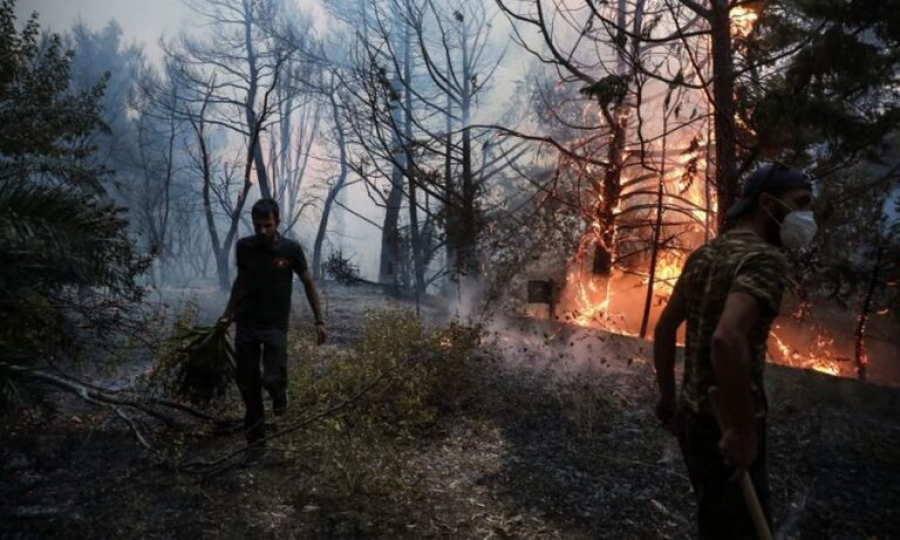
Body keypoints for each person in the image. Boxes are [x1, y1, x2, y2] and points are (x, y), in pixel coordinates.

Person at [653, 163, 817, 539]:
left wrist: (667, 397)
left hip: (693, 420)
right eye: (799, 203)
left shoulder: (706, 254)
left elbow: (664, 329)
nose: (805, 216)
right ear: (766, 202)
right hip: (727, 425)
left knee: (715, 519)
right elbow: (727, 340)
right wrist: (742, 430)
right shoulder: (764, 260)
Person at [218, 198, 326, 446]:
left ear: (277, 222)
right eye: (257, 225)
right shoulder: (244, 247)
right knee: (248, 384)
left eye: (267, 225)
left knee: (273, 378)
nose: (262, 231)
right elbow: (241, 281)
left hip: (275, 325)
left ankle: (280, 397)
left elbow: (308, 283)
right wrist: (228, 313)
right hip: (246, 323)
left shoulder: (290, 250)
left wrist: (319, 321)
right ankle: (255, 442)